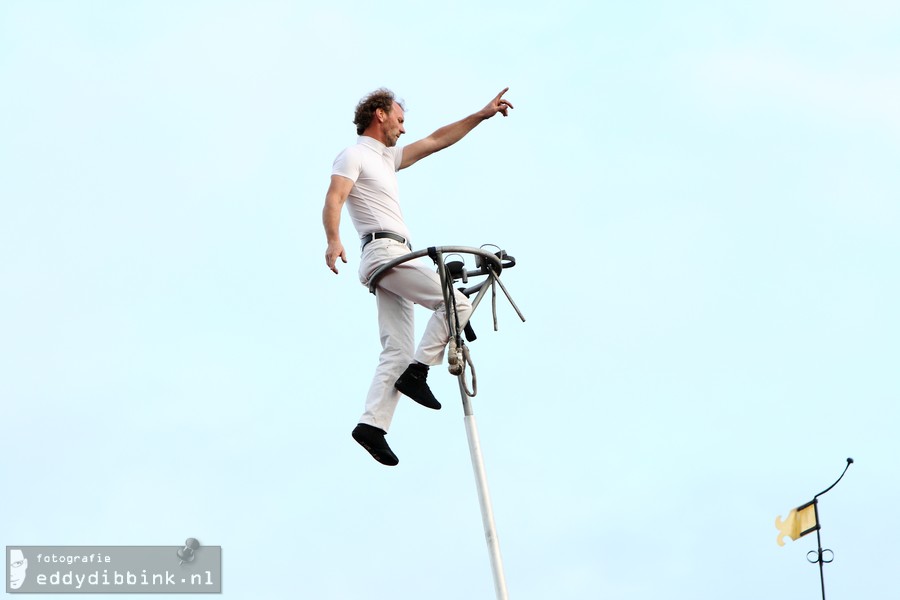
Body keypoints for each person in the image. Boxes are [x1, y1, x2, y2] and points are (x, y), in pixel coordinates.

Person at [323, 87, 513, 466]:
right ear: (380, 114)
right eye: (399, 119)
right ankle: (420, 370)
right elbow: (334, 198)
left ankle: (371, 426)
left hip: (391, 255)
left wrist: (480, 115)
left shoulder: (387, 158)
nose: (403, 129)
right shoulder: (354, 155)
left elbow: (437, 140)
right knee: (456, 303)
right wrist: (333, 240)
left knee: (395, 350)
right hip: (383, 251)